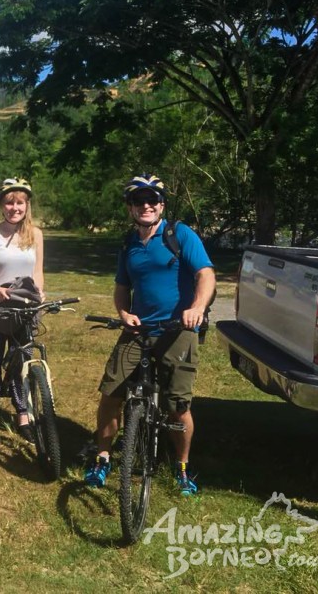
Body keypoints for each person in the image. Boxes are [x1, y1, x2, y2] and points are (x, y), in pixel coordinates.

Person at [83, 173, 215, 495]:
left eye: (152, 199)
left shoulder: (179, 234)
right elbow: (121, 287)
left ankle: (182, 467)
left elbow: (206, 274)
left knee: (177, 405)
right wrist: (123, 313)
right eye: (139, 200)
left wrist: (196, 307)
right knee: (111, 394)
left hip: (178, 330)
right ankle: (102, 458)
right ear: (130, 207)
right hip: (138, 330)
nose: (146, 204)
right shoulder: (128, 243)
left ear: (161, 205)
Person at [0, 178, 44, 452]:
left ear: (27, 205)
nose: (15, 207)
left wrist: (41, 293)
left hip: (25, 306)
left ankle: (22, 414)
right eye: (9, 202)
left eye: (20, 202)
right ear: (1, 205)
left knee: (21, 363)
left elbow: (37, 272)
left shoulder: (35, 235)